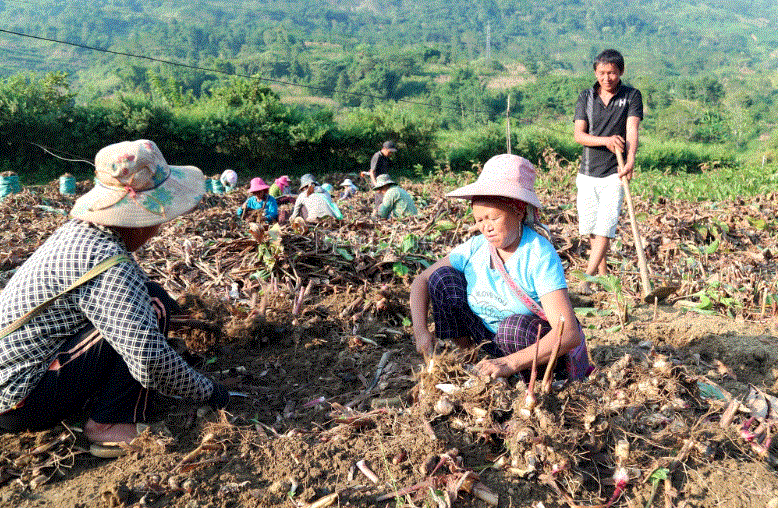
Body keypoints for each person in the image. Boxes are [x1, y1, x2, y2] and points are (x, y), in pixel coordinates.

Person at [0, 140, 230, 458]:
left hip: (15, 379)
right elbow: (149, 358)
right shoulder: (105, 260)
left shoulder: (83, 233)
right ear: (140, 217)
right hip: (20, 397)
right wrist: (209, 391)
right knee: (150, 311)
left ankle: (98, 401)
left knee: (151, 301)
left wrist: (184, 319)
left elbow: (137, 285)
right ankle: (109, 423)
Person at [409, 154, 593, 381]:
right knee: (442, 279)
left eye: (493, 218)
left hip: (529, 348)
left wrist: (509, 363)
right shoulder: (476, 247)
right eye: (479, 220)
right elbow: (422, 280)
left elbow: (569, 334)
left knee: (512, 328)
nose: (485, 228)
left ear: (518, 211)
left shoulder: (538, 255)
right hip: (488, 340)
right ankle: (471, 363)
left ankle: (525, 380)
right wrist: (421, 333)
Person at [573, 49, 643, 295]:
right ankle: (603, 277)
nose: (607, 77)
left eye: (612, 72)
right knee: (592, 228)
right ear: (595, 73)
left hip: (616, 172)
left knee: (605, 227)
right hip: (588, 171)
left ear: (620, 72)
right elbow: (579, 135)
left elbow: (632, 130)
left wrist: (630, 160)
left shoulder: (631, 96)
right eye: (602, 73)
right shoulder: (586, 97)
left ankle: (587, 278)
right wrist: (605, 140)